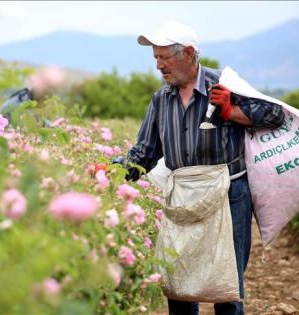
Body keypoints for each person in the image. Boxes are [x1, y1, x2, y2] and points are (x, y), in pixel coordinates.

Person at [119, 21, 285, 315]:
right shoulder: (160, 100)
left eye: (164, 57)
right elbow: (145, 153)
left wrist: (232, 110)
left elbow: (275, 114)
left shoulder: (223, 85)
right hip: (183, 197)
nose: (158, 66)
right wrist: (113, 171)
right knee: (180, 286)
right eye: (155, 58)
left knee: (226, 289)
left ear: (189, 54)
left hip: (228, 194)